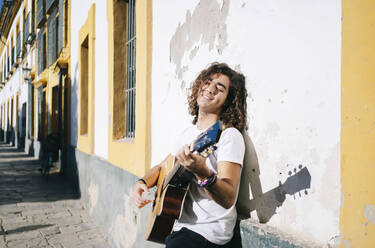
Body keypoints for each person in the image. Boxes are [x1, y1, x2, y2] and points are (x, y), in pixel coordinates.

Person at [132, 62, 248, 248]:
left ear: (228, 100)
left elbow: (228, 198)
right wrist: (142, 182)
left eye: (220, 88)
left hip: (209, 232)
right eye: (207, 82)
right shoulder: (187, 134)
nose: (210, 89)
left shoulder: (228, 136)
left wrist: (203, 172)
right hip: (180, 226)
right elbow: (162, 167)